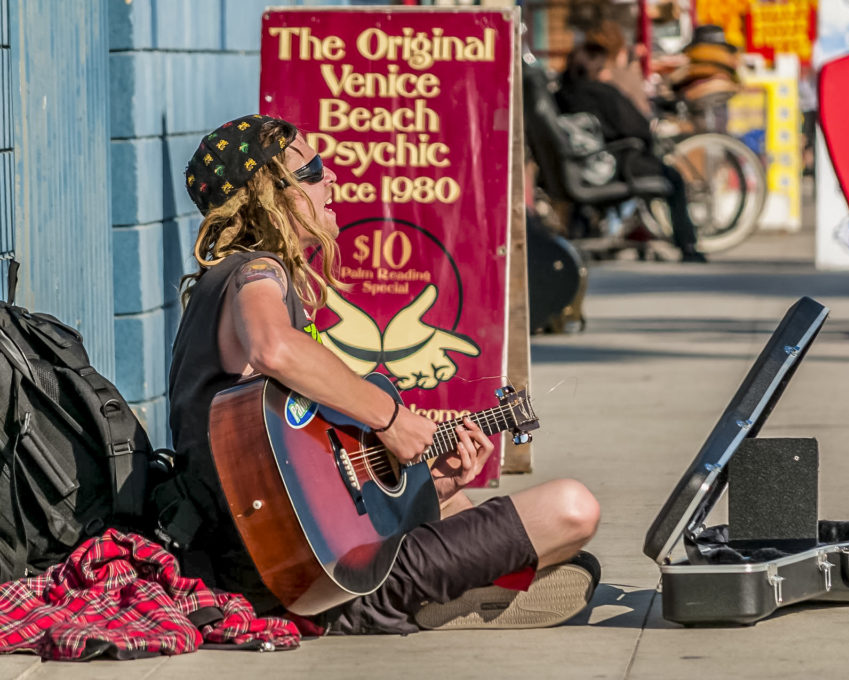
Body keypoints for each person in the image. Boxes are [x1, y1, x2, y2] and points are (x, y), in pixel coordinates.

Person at [156, 114, 601, 634]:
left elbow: (314, 478)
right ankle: (408, 601)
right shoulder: (256, 272)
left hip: (291, 556)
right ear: (266, 196)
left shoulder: (237, 281)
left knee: (465, 504)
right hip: (300, 577)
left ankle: (452, 590)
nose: (332, 180)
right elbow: (274, 347)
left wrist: (429, 480)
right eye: (314, 169)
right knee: (573, 509)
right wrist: (390, 417)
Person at [556, 42, 707, 262]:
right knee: (673, 177)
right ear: (596, 68)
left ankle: (586, 232)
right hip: (617, 165)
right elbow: (639, 129)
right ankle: (688, 246)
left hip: (576, 169)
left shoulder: (560, 96)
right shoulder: (604, 93)